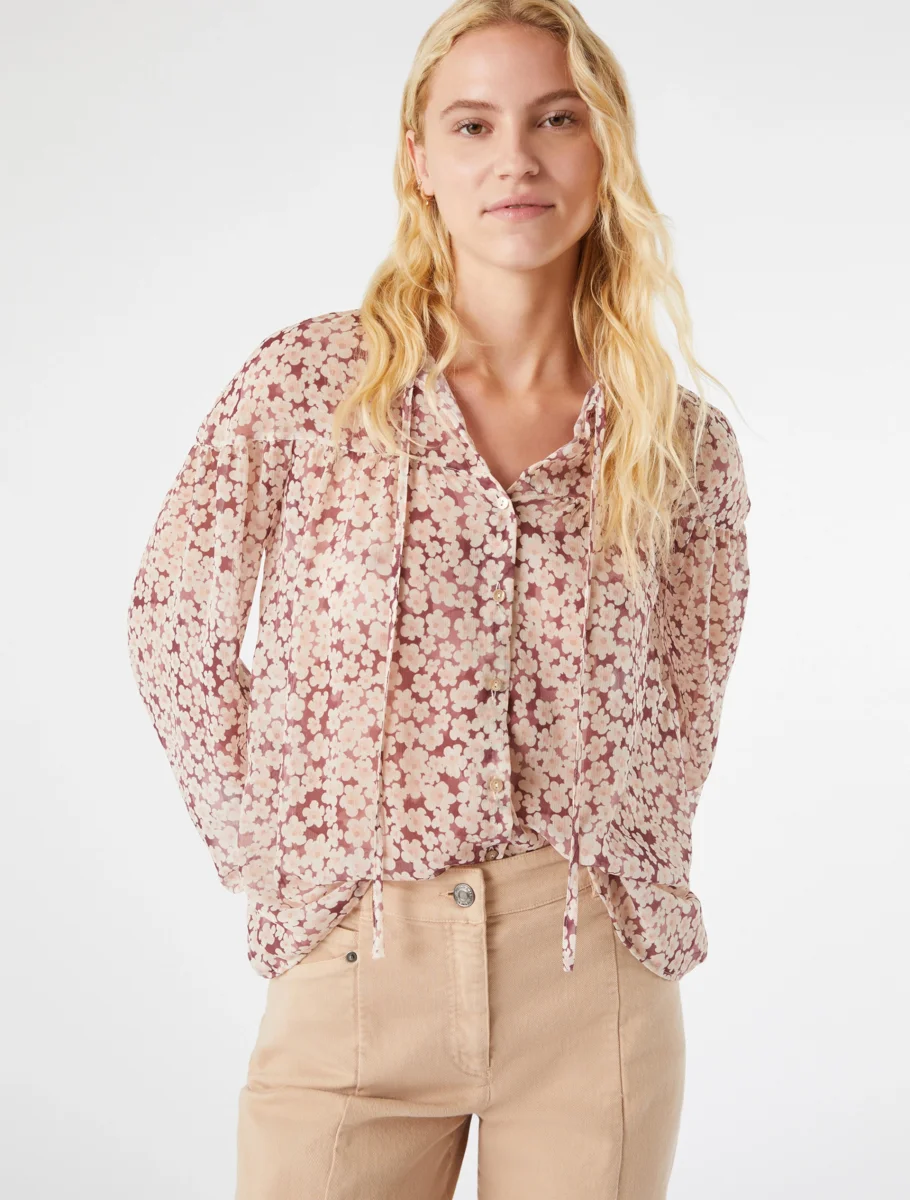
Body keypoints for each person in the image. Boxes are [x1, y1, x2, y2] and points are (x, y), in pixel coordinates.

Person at [126, 2, 752, 1196]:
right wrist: (287, 863)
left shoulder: (680, 445)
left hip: (591, 989)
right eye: (472, 125)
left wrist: (628, 884)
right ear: (418, 160)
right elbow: (172, 628)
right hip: (354, 967)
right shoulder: (310, 388)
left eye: (554, 119)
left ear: (605, 145)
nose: (514, 159)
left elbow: (686, 695)